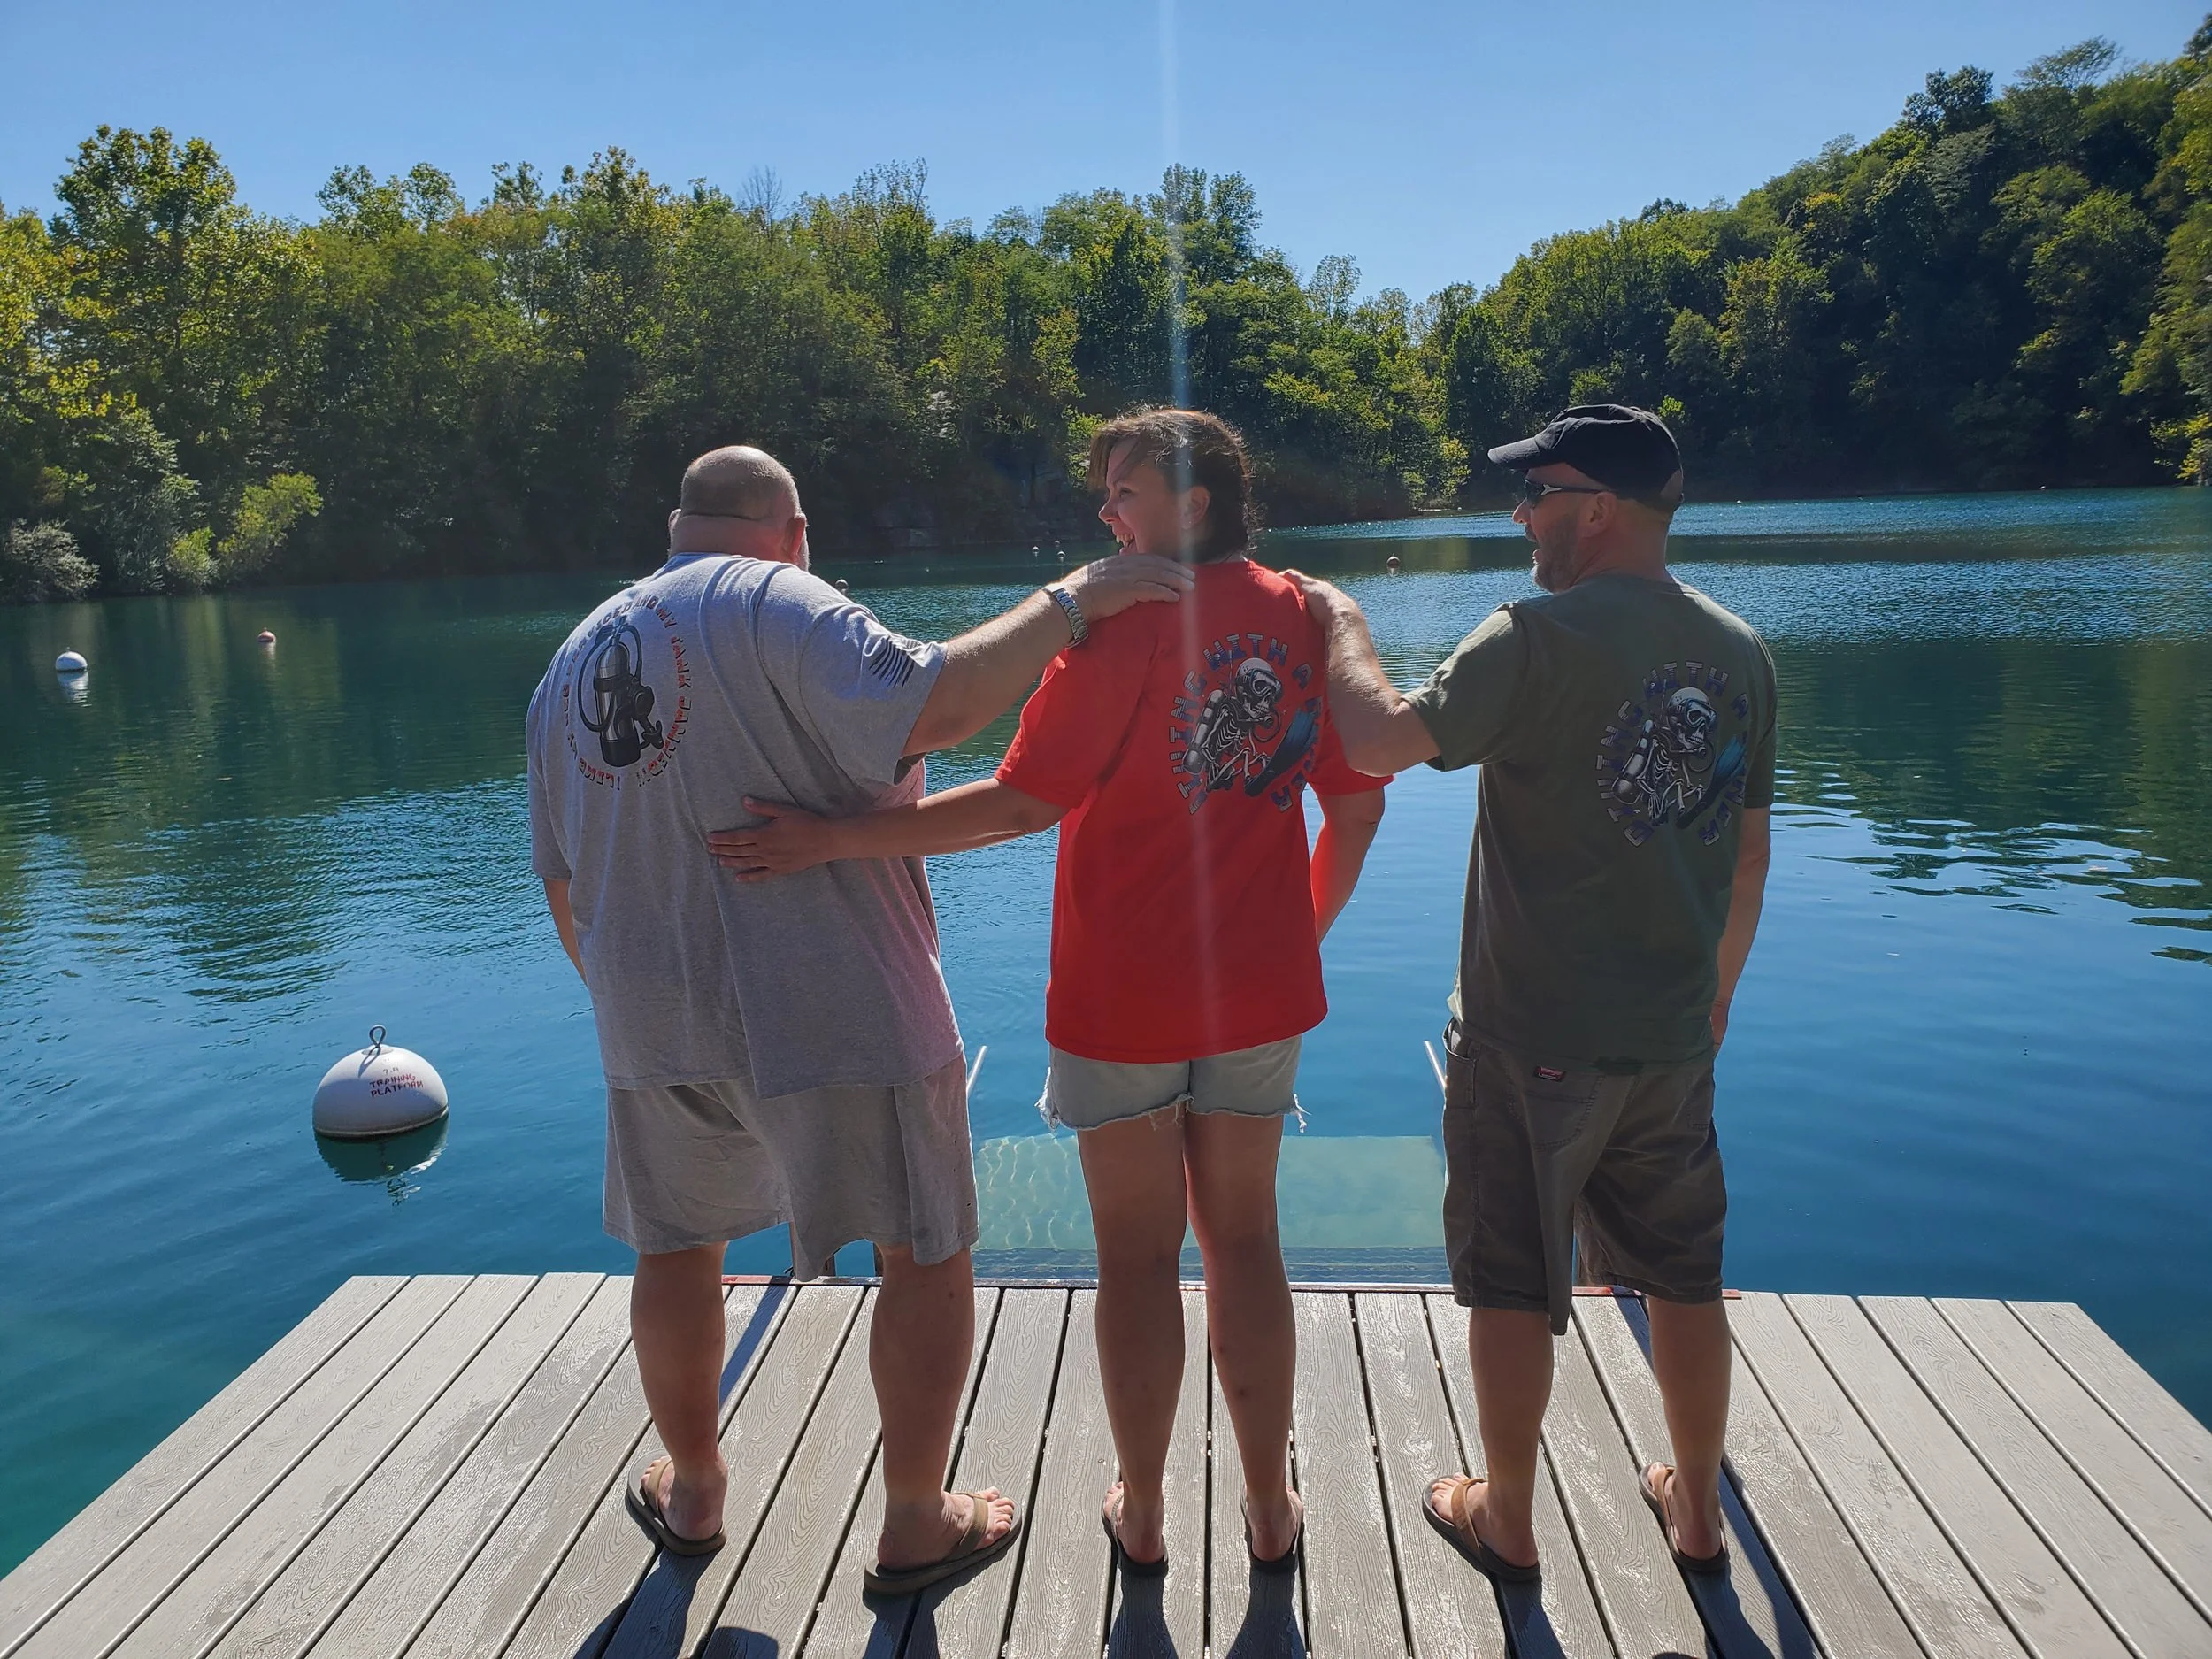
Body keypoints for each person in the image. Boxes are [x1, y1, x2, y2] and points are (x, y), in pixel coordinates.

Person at [712, 410, 1389, 1579]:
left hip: (1121, 996)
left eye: (1124, 492)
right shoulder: (1302, 614)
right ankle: (1272, 1504)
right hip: (1260, 1002)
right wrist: (1298, 937)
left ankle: (1147, 1511)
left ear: (1193, 501)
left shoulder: (1119, 631)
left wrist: (837, 838)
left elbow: (1019, 804)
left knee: (1136, 1258)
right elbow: (1362, 802)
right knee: (1247, 1242)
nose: (1105, 516)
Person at [525, 444, 1192, 1594]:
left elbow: (558, 878)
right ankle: (914, 1519)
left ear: (678, 524)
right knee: (921, 1244)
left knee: (678, 1248)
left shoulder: (572, 657)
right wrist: (1073, 602)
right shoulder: (770, 593)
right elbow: (939, 702)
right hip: (839, 1003)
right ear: (793, 530)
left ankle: (691, 1487)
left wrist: (628, 1003)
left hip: (648, 1010)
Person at [1288, 404, 1776, 1583]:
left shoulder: (1529, 635)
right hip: (1671, 1036)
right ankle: (1698, 1511)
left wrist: (1342, 623)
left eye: (1537, 492)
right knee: (1682, 1274)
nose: (1520, 514)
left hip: (1530, 1040)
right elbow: (1750, 847)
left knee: (1512, 1278)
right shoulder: (1742, 651)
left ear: (1596, 507)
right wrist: (1713, 1000)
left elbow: (1376, 741)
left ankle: (1506, 1513)